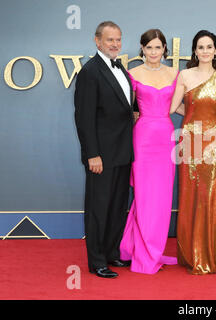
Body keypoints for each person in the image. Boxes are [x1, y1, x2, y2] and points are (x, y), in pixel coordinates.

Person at [170, 30, 216, 275]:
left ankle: (206, 253)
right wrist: (192, 122)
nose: (205, 51)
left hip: (213, 143)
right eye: (201, 47)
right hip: (189, 140)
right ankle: (190, 253)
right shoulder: (185, 75)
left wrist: (210, 122)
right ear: (195, 51)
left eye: (209, 47)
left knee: (209, 196)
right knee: (189, 193)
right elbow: (172, 106)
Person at [74, 21, 133, 278]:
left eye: (118, 39)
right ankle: (96, 260)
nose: (115, 44)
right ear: (97, 41)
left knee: (117, 206)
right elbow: (84, 118)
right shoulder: (90, 71)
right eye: (110, 40)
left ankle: (110, 253)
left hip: (122, 152)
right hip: (101, 156)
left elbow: (123, 109)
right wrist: (92, 154)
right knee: (98, 208)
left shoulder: (122, 69)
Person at [119, 29, 178, 274]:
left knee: (162, 199)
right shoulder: (131, 74)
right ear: (142, 49)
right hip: (142, 138)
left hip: (166, 137)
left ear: (165, 49)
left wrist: (210, 117)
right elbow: (125, 110)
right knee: (144, 196)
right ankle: (143, 254)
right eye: (149, 47)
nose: (154, 52)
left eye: (158, 47)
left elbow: (183, 106)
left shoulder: (176, 74)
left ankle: (148, 248)